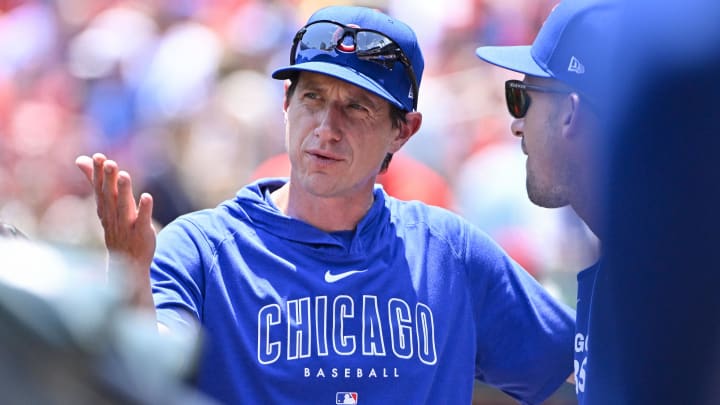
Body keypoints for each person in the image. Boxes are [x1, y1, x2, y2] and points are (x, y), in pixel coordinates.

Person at [76, 6, 574, 404]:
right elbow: (146, 372)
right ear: (286, 103)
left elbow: (575, 371)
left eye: (357, 107)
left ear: (404, 130)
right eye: (313, 97)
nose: (326, 128)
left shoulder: (450, 253)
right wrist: (130, 275)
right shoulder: (202, 248)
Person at [475, 0, 620, 403]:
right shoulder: (634, 251)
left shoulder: (671, 266)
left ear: (569, 115)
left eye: (522, 97)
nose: (515, 122)